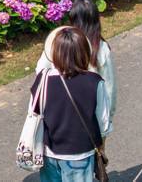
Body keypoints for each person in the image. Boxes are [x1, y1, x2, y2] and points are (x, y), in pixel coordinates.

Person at [30, 27, 112, 182]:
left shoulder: (43, 79)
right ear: (84, 51)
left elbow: (34, 112)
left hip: (48, 153)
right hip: (80, 153)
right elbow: (104, 122)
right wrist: (101, 145)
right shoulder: (95, 82)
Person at [36, 0, 117, 125]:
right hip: (89, 116)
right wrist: (108, 120)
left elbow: (40, 72)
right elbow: (109, 89)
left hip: (59, 113)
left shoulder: (57, 41)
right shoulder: (100, 48)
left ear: (73, 18)